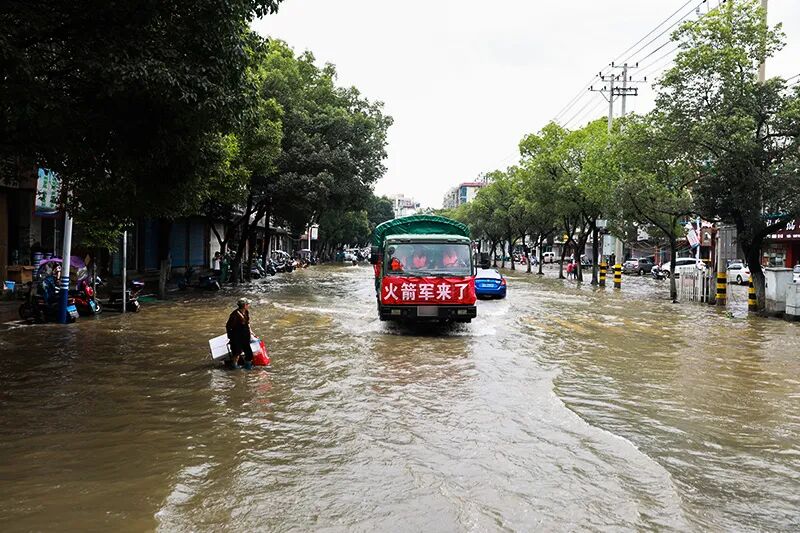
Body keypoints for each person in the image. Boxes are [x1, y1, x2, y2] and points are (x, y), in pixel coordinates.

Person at [226, 298, 254, 369]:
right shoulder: (234, 315)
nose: (249, 305)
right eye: (247, 304)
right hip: (237, 337)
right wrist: (231, 337)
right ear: (244, 305)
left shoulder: (246, 312)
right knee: (237, 353)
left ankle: (247, 368)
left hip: (245, 336)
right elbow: (228, 326)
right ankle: (234, 368)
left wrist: (251, 332)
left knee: (249, 354)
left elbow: (247, 322)